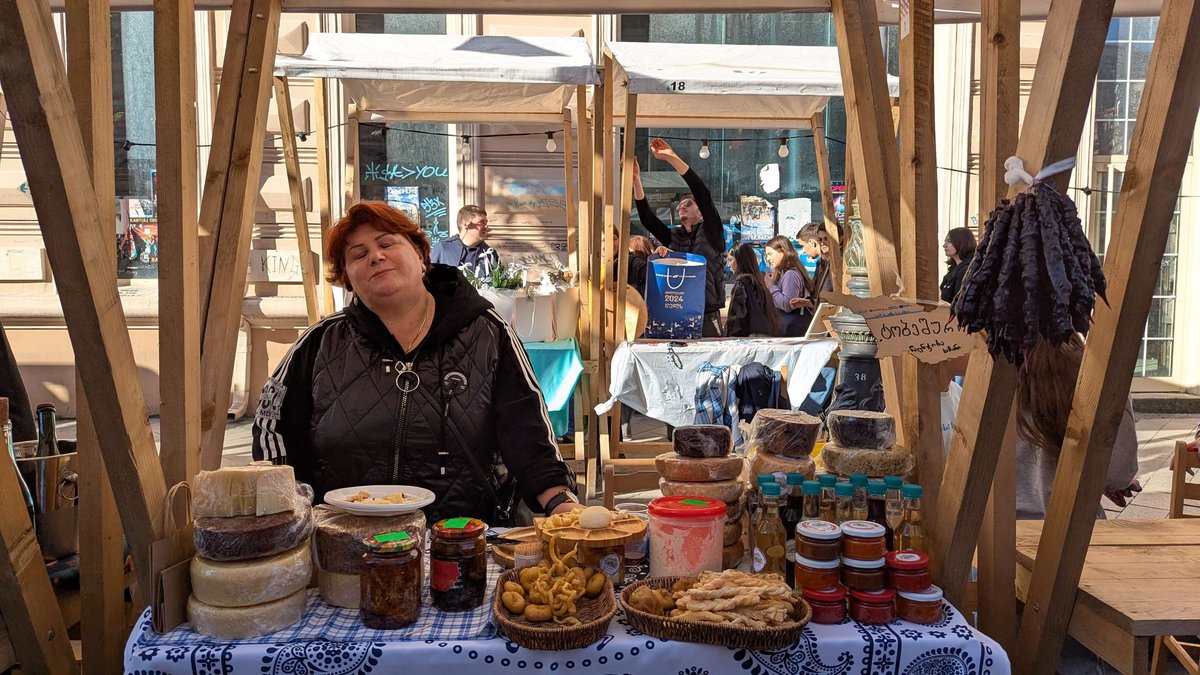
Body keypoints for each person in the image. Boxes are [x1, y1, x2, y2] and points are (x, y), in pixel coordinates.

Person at [252, 201, 578, 524]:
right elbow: (272, 428)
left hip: (464, 540)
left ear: (422, 257)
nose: (376, 256)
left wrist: (559, 501)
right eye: (358, 254)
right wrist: (290, 511)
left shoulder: (489, 333)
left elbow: (526, 428)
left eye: (386, 243)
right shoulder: (321, 342)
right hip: (346, 543)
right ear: (348, 279)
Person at [1015, 336, 1140, 520]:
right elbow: (1117, 473)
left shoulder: (986, 366)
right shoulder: (1101, 371)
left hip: (996, 533)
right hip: (1075, 528)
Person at [631, 138, 727, 337]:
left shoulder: (712, 232)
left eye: (689, 203)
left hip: (707, 314)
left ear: (701, 213)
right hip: (676, 311)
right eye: (680, 204)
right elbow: (648, 219)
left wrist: (672, 158)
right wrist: (636, 180)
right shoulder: (674, 235)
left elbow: (702, 193)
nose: (682, 206)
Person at [429, 205, 500, 279]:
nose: (486, 226)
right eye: (481, 222)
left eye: (486, 223)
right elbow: (428, 280)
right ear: (466, 224)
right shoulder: (443, 249)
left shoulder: (489, 253)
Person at [725, 243, 779, 338]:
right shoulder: (757, 281)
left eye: (730, 260)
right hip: (761, 335)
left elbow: (739, 317)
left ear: (739, 261)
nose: (728, 264)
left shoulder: (742, 284)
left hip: (744, 339)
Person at [764, 236, 811, 337]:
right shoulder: (785, 273)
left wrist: (771, 286)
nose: (768, 258)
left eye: (770, 254)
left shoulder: (790, 275)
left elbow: (787, 305)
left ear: (783, 251)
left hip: (789, 329)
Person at [940, 226, 978, 304]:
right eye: (945, 241)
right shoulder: (954, 268)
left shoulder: (966, 270)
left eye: (949, 241)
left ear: (961, 242)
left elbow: (959, 304)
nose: (944, 245)